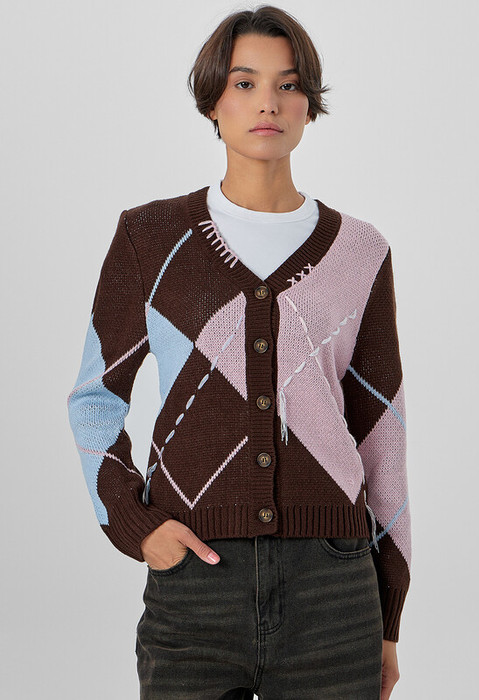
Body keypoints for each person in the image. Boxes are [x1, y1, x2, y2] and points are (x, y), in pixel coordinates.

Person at [67, 5, 411, 699]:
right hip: (193, 580)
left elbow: (381, 432)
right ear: (212, 102)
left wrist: (388, 613)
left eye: (288, 85)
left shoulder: (360, 251)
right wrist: (136, 526)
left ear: (309, 106)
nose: (267, 104)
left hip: (333, 586)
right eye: (245, 83)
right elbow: (95, 399)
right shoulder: (149, 238)